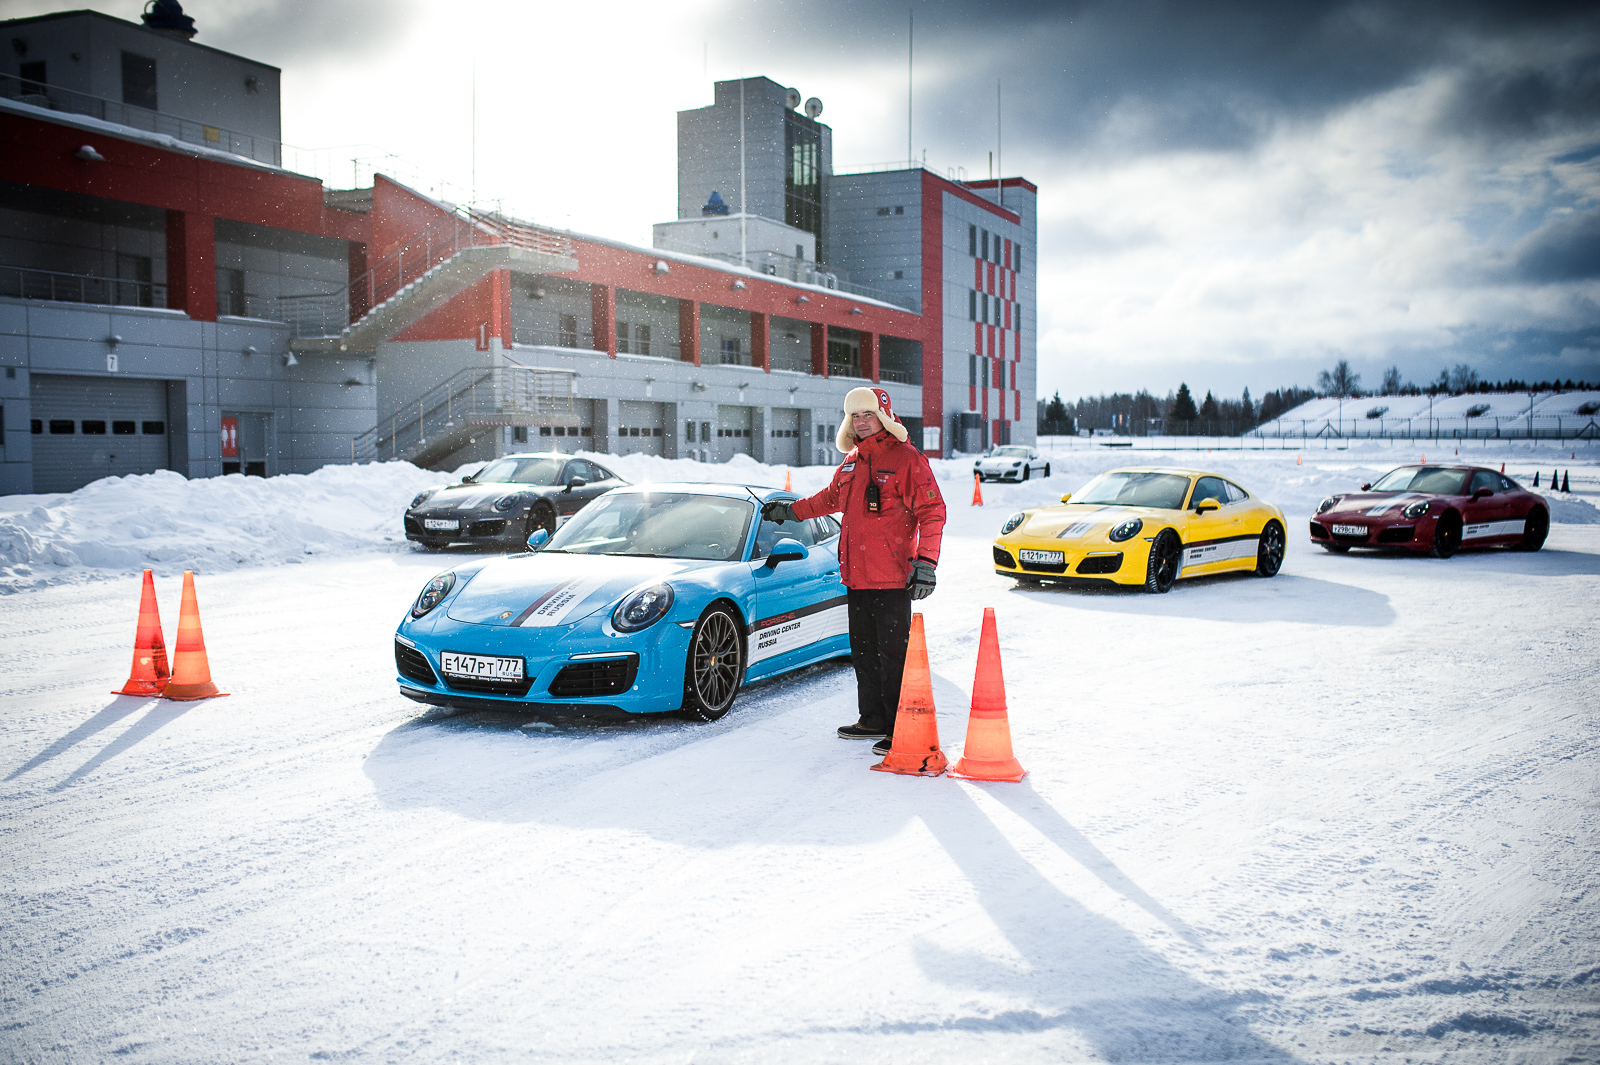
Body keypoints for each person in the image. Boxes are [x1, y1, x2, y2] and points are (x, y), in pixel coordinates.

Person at [761, 387, 946, 755]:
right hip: (856, 576)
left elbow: (933, 511)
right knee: (863, 650)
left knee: (893, 654)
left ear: (884, 418)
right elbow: (829, 499)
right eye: (855, 417)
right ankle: (873, 718)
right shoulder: (851, 461)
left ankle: (899, 728)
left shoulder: (907, 459)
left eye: (868, 415)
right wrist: (789, 512)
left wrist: (926, 563)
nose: (861, 423)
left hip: (893, 576)